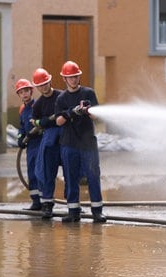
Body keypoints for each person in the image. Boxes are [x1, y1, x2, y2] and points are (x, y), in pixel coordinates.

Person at [54, 60, 106, 223]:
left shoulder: (88, 93)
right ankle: (73, 211)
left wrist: (87, 111)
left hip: (88, 143)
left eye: (76, 76)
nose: (74, 80)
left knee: (93, 176)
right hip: (69, 144)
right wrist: (72, 112)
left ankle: (97, 211)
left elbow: (96, 116)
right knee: (70, 177)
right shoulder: (61, 99)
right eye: (70, 77)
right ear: (64, 79)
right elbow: (58, 121)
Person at [30, 68, 62, 219]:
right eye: (40, 85)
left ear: (50, 81)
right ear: (37, 87)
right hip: (49, 140)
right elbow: (33, 120)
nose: (43, 87)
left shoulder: (61, 96)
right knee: (46, 172)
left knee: (71, 172)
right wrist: (39, 122)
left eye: (45, 83)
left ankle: (74, 205)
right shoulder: (38, 104)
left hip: (65, 137)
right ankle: (47, 205)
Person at [16, 78, 42, 210]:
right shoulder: (22, 109)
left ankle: (45, 201)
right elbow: (21, 126)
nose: (24, 94)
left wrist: (36, 131)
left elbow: (43, 123)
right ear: (19, 95)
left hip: (40, 143)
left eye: (26, 91)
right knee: (31, 172)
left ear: (31, 91)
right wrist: (20, 137)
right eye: (21, 92)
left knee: (40, 172)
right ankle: (36, 202)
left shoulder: (37, 105)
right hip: (30, 146)